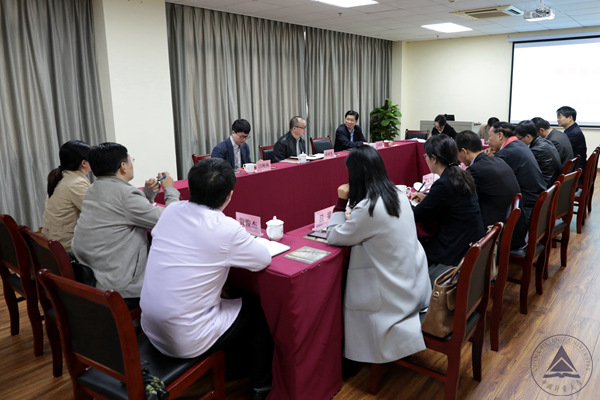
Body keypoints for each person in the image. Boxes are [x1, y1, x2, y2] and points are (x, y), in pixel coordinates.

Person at [140, 158, 273, 400]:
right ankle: (261, 387)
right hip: (186, 339)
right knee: (256, 308)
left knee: (229, 295)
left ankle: (232, 368)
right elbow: (262, 259)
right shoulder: (225, 228)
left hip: (151, 327)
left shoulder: (171, 211)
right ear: (229, 195)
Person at [326, 145, 431, 364]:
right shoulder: (397, 193)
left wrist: (340, 202)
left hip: (392, 295)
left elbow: (334, 236)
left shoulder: (370, 207)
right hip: (413, 282)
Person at [72, 142, 179, 307]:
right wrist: (170, 190)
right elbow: (172, 220)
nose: (131, 164)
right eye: (130, 160)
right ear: (123, 166)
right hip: (121, 287)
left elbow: (125, 212)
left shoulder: (94, 188)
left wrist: (147, 193)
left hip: (94, 275)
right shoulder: (125, 194)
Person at [411, 134, 485, 282]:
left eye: (426, 156)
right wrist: (428, 198)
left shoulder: (444, 183)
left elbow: (416, 214)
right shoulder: (462, 174)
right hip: (471, 240)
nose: (425, 159)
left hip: (456, 248)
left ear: (433, 158)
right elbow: (449, 201)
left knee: (416, 249)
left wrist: (403, 203)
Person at [455, 130, 526, 248]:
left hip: (499, 235)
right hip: (515, 229)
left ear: (463, 151)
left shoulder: (476, 170)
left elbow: (458, 199)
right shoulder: (496, 160)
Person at [488, 122, 546, 225]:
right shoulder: (518, 144)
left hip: (526, 206)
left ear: (500, 135)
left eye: (489, 137)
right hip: (537, 200)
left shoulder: (505, 153)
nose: (488, 142)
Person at [42, 140, 91, 252]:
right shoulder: (76, 182)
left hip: (52, 237)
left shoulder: (63, 175)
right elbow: (93, 211)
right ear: (84, 163)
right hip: (65, 244)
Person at [515, 120, 561, 188]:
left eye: (519, 139)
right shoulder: (545, 141)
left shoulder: (537, 150)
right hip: (552, 182)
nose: (518, 142)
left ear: (528, 136)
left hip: (545, 186)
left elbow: (525, 171)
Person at [557, 105, 587, 172]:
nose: (557, 120)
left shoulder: (574, 133)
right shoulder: (572, 129)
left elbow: (563, 151)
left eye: (560, 117)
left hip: (576, 168)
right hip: (576, 165)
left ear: (570, 118)